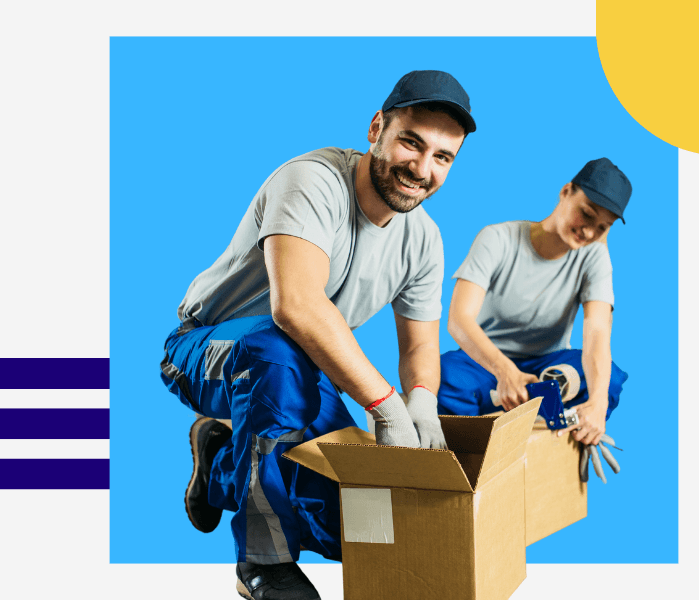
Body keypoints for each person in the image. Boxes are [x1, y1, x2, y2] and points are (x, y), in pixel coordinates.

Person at [159, 70, 475, 600]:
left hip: (300, 368)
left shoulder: (423, 239)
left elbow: (420, 344)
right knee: (276, 351)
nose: (421, 169)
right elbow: (298, 307)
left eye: (442, 158)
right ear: (377, 128)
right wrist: (387, 407)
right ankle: (264, 561)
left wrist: (421, 402)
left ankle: (219, 461)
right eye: (411, 143)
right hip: (206, 349)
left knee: (347, 525)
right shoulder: (313, 180)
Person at [439, 159, 631, 449]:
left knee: (608, 381)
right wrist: (505, 372)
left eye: (602, 228)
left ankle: (528, 420)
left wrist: (598, 406)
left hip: (548, 368)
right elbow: (458, 319)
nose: (589, 233)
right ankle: (481, 440)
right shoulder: (497, 239)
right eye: (586, 215)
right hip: (485, 363)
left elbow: (597, 332)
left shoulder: (594, 256)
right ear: (566, 191)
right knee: (437, 376)